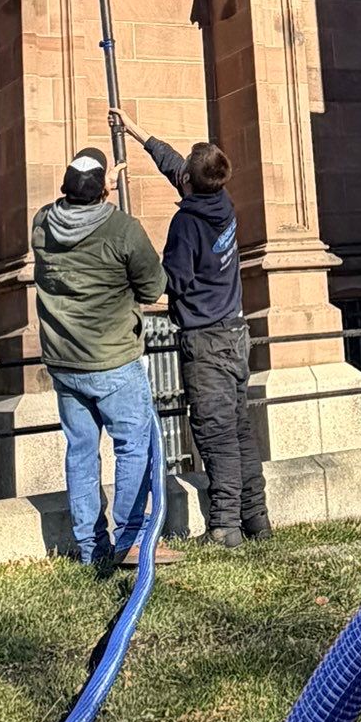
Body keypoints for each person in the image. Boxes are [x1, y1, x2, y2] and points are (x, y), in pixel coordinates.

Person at [115, 112, 270, 548]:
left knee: (215, 432)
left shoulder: (186, 225)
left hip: (205, 340)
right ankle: (257, 518)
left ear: (191, 182)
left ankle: (224, 527)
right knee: (239, 428)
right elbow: (175, 167)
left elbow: (171, 282)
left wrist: (134, 263)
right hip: (235, 333)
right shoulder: (221, 204)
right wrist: (137, 131)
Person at [30, 147, 166, 571]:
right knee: (132, 448)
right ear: (104, 189)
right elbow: (152, 288)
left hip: (65, 364)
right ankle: (129, 540)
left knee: (82, 452)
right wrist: (110, 198)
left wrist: (101, 185)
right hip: (113, 363)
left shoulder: (41, 225)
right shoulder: (123, 229)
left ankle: (92, 549)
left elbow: (73, 211)